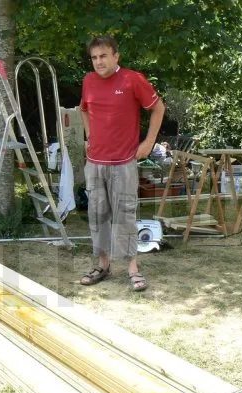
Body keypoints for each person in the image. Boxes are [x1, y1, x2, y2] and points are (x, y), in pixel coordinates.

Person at [79, 35, 165, 292]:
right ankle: (103, 265)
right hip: (94, 162)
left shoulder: (132, 79)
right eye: (94, 57)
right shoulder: (88, 81)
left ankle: (133, 269)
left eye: (104, 56)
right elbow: (84, 109)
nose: (99, 62)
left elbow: (158, 108)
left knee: (124, 215)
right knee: (98, 215)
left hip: (123, 162)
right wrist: (89, 136)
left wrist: (148, 143)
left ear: (116, 56)